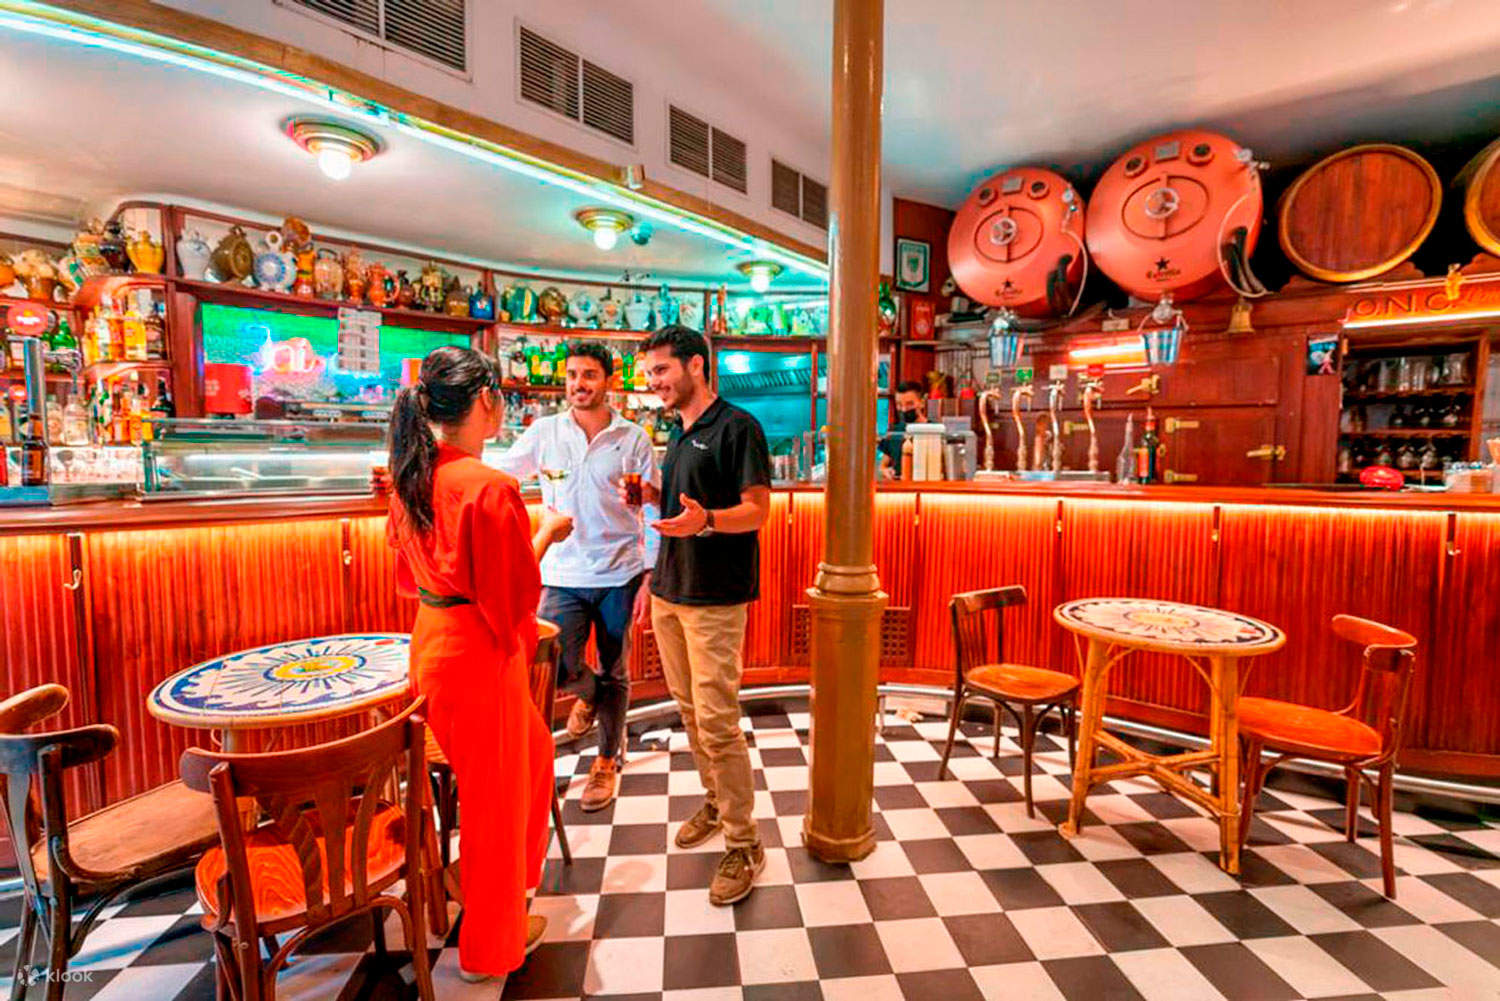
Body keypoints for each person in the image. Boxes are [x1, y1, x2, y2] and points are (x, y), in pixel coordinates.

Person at [385, 345, 573, 982]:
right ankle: (489, 950)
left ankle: (493, 890)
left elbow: (411, 578)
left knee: (537, 753)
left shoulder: (414, 470)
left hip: (434, 640)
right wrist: (545, 533)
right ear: (488, 402)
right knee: (493, 803)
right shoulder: (487, 486)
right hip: (477, 652)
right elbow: (512, 596)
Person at [635, 324, 772, 906]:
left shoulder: (738, 427)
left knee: (717, 719)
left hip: (715, 596)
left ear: (695, 366)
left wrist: (709, 521)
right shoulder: (677, 429)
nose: (655, 384)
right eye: (650, 375)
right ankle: (717, 802)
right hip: (671, 588)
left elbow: (757, 511)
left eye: (662, 371)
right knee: (690, 713)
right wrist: (648, 497)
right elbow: (683, 509)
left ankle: (745, 843)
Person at [496, 341, 658, 812]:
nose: (578, 385)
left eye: (589, 375)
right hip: (562, 573)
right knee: (558, 662)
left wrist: (649, 573)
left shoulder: (633, 439)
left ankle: (607, 761)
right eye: (571, 375)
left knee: (616, 668)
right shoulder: (545, 432)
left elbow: (655, 506)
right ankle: (587, 695)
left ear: (608, 381)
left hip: (620, 570)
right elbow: (501, 474)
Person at [879, 379, 929, 479]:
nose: (904, 409)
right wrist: (886, 471)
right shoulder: (894, 431)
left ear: (922, 403)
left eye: (909, 404)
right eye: (899, 404)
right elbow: (883, 466)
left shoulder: (934, 431)